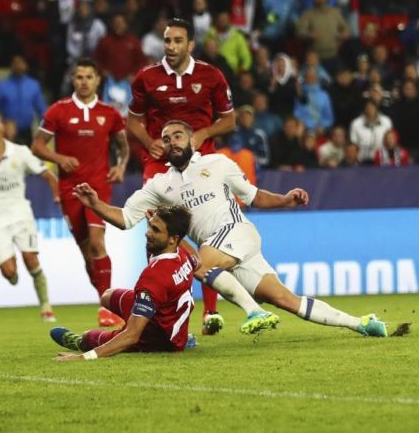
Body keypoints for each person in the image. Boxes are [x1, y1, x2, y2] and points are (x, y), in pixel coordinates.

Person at [73, 120, 388, 338]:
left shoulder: (218, 165)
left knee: (198, 263)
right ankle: (361, 323)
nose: (172, 142)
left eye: (178, 136)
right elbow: (127, 218)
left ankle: (254, 313)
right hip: (224, 249)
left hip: (237, 232)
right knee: (286, 300)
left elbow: (253, 196)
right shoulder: (158, 185)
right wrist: (95, 204)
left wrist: (286, 199)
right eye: (166, 139)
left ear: (192, 140)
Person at [125, 18, 235, 335]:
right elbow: (132, 122)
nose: (171, 46)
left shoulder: (211, 76)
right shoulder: (146, 78)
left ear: (190, 45)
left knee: (205, 234)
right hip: (160, 164)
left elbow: (229, 121)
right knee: (157, 231)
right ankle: (163, 311)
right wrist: (149, 142)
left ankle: (210, 312)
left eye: (177, 41)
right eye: (167, 40)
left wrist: (204, 132)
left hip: (201, 164)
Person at [31, 58, 129, 328]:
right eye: (79, 77)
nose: (84, 81)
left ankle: (106, 307)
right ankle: (105, 299)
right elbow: (37, 146)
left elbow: (123, 147)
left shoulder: (110, 113)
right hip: (70, 190)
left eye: (89, 77)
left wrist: (120, 167)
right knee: (87, 253)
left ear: (98, 80)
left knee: (98, 242)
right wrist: (59, 158)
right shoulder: (58, 111)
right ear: (73, 80)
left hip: (98, 188)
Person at [50, 205, 198, 361]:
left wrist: (82, 357)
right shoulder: (183, 254)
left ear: (173, 239)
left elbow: (132, 336)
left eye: (156, 230)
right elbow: (198, 261)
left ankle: (80, 342)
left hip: (155, 338)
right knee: (107, 296)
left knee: (88, 337)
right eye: (150, 226)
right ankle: (178, 335)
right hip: (169, 316)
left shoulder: (154, 276)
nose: (148, 233)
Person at [0, 110, 59, 322]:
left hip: (21, 214)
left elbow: (47, 174)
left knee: (31, 259)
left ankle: (46, 306)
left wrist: (57, 194)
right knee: (9, 272)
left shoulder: (20, 152)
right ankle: (12, 274)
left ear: (2, 127)